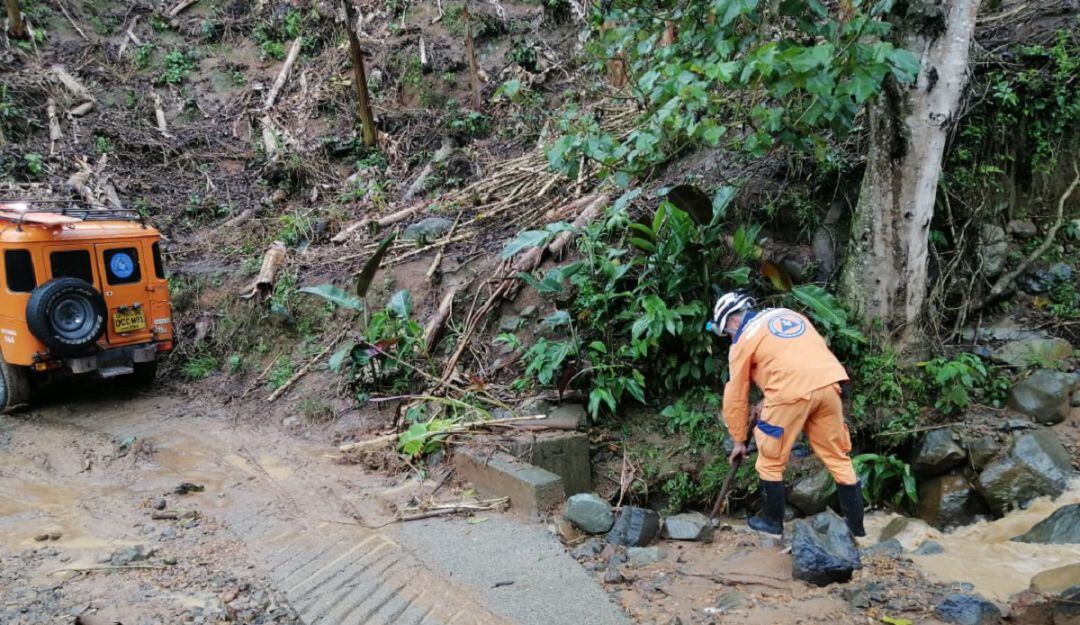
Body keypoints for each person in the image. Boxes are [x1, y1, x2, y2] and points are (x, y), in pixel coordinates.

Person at [706, 291, 865, 536]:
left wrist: (739, 440)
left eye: (726, 331)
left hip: (788, 394)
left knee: (770, 459)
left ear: (733, 321)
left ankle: (772, 524)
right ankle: (856, 530)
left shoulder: (744, 338)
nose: (728, 337)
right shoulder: (788, 314)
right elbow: (803, 355)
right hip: (828, 385)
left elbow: (736, 394)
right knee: (838, 456)